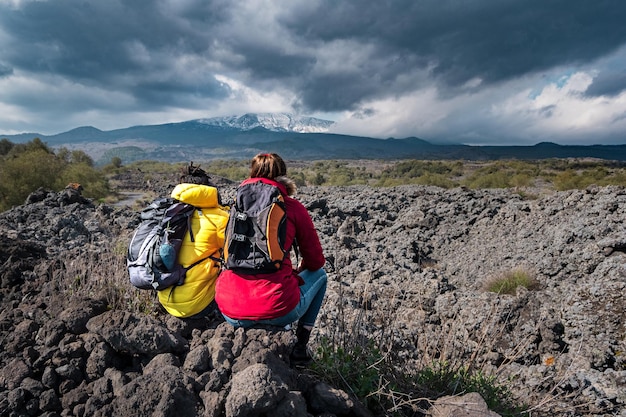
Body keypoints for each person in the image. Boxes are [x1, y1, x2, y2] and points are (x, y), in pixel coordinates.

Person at [215, 153, 327, 365]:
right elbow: (315, 262)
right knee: (320, 276)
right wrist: (297, 272)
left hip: (231, 311)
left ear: (252, 173)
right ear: (283, 176)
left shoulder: (235, 207)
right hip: (279, 308)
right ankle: (301, 348)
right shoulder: (292, 207)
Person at [158, 162, 229, 319]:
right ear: (207, 188)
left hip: (166, 301)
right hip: (198, 305)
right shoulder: (220, 218)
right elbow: (234, 258)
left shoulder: (168, 215)